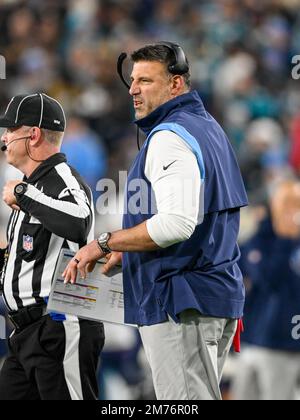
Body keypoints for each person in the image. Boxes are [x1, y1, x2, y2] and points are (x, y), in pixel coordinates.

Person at [63, 43, 248, 400]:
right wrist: (130, 250)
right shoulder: (206, 127)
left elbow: (176, 224)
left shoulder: (169, 137)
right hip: (208, 295)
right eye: (132, 80)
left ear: (175, 84)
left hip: (181, 301)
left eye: (146, 80)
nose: (132, 89)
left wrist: (105, 242)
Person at [0, 93, 105, 400]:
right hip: (26, 333)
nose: (4, 137)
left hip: (59, 326)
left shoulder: (60, 179)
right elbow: (29, 256)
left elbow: (79, 221)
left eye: (11, 129)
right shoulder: (33, 186)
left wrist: (22, 193)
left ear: (33, 134)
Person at [232, 180, 300, 400]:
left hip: (285, 343)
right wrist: (284, 238)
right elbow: (267, 277)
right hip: (254, 338)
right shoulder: (259, 242)